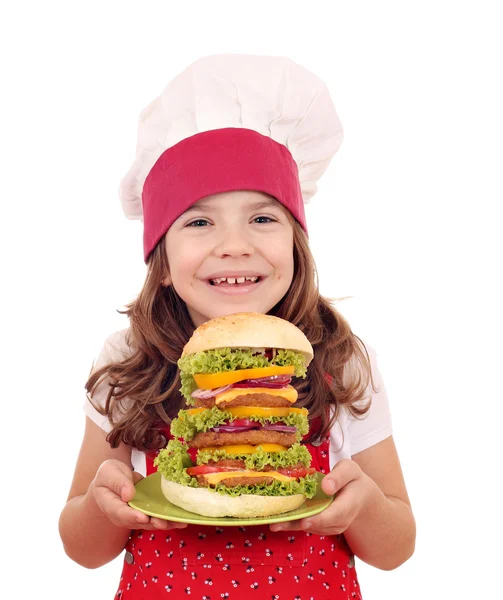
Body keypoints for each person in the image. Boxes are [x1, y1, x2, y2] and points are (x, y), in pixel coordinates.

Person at [59, 54, 415, 599]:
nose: (234, 245)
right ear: (160, 253)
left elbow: (396, 549)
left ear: (295, 241)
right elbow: (83, 550)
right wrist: (101, 506)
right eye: (199, 221)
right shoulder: (127, 358)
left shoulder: (339, 358)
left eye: (263, 218)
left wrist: (363, 506)